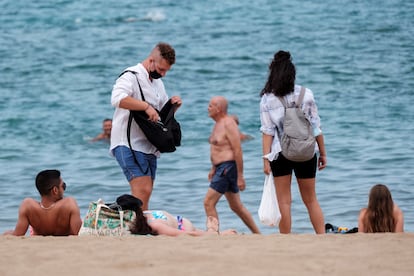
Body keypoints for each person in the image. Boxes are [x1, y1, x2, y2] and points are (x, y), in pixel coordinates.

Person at [260, 50, 327, 234]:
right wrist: (322, 153)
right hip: (306, 150)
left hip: (280, 153)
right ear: (292, 74)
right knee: (311, 199)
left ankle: (286, 239)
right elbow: (316, 127)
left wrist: (265, 159)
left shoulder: (268, 98)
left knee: (284, 201)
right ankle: (322, 236)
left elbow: (268, 132)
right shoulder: (306, 94)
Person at [110, 42, 182, 210]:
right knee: (142, 189)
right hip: (127, 142)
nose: (163, 74)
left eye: (166, 71)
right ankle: (137, 228)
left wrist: (173, 106)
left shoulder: (157, 83)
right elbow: (116, 99)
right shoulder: (131, 76)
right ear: (151, 61)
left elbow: (160, 115)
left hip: (149, 144)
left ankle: (138, 227)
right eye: (161, 69)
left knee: (145, 193)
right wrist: (145, 106)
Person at [204, 96, 260, 234]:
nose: (208, 108)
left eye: (211, 106)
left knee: (208, 202)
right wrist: (213, 168)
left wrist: (240, 176)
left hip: (228, 168)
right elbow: (217, 149)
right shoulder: (217, 124)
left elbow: (237, 150)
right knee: (236, 206)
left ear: (219, 109)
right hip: (221, 168)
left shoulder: (228, 123)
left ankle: (214, 234)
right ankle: (258, 234)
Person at [3, 170, 82, 236]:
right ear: (55, 190)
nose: (64, 189)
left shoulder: (27, 206)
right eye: (63, 186)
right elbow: (79, 233)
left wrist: (6, 233)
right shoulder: (69, 204)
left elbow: (18, 234)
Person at [116, 194, 236, 236]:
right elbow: (187, 235)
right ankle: (215, 233)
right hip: (182, 227)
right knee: (213, 234)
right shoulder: (154, 224)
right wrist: (211, 232)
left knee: (210, 233)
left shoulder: (143, 219)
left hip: (181, 223)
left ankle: (215, 232)